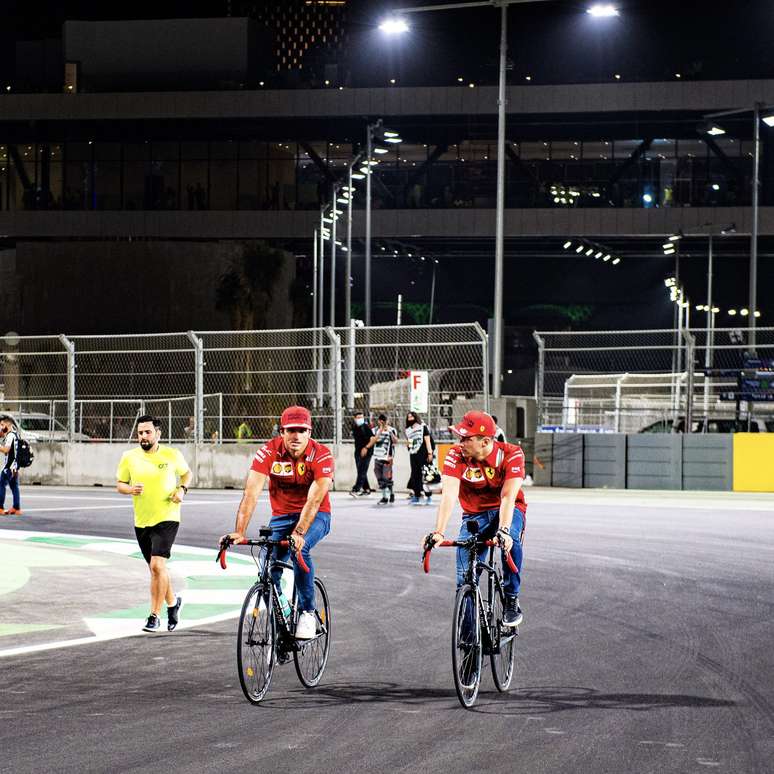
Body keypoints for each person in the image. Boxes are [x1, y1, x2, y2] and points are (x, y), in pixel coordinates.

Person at [223, 405, 333, 640]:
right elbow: (251, 492)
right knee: (267, 572)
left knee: (299, 550)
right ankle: (281, 617)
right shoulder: (268, 451)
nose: (296, 436)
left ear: (309, 432)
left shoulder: (321, 454)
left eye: (302, 430)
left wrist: (300, 533)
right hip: (281, 517)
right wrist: (239, 532)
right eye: (291, 430)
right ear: (281, 431)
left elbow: (314, 500)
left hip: (317, 515)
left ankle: (307, 613)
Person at [423, 410, 527, 627]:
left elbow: (508, 497)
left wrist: (505, 531)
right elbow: (449, 495)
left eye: (466, 438)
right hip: (475, 515)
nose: (460, 442)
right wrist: (439, 531)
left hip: (506, 509)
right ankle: (469, 644)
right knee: (465, 580)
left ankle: (511, 599)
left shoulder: (512, 454)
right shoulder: (456, 454)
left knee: (511, 542)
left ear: (485, 441)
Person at [116, 415, 192, 633]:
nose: (143, 436)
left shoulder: (172, 454)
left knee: (157, 566)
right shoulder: (129, 457)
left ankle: (154, 616)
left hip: (168, 517)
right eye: (140, 433)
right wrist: (130, 489)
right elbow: (120, 484)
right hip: (142, 521)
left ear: (158, 433)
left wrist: (181, 489)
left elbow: (187, 474)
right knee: (157, 570)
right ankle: (172, 603)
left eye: (147, 432)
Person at [363, 414, 398, 505]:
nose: (383, 423)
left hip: (387, 457)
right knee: (379, 477)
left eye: (385, 421)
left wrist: (389, 432)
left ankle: (387, 496)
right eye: (381, 421)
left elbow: (395, 442)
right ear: (378, 421)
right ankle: (388, 495)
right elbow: (373, 440)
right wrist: (381, 430)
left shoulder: (392, 430)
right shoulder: (374, 430)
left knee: (386, 477)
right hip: (377, 456)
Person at [406, 411, 434, 505]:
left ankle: (429, 496)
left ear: (415, 417)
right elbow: (410, 441)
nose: (410, 419)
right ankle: (417, 495)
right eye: (408, 417)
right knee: (415, 475)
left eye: (411, 417)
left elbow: (427, 440)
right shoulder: (408, 429)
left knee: (426, 475)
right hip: (413, 454)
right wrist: (409, 446)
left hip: (423, 454)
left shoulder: (422, 427)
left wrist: (430, 453)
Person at [0, 417, 22, 515]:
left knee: (1, 485)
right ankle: (16, 508)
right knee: (14, 486)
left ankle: (0, 507)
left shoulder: (10, 436)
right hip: (15, 466)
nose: (1, 427)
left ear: (8, 425)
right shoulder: (16, 435)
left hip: (9, 467)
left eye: (2, 425)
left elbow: (6, 450)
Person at [350, 410, 374, 497]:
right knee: (361, 470)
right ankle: (366, 489)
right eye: (358, 418)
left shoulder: (365, 427)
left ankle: (356, 489)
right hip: (358, 451)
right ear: (354, 418)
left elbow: (373, 439)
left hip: (367, 451)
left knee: (362, 470)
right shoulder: (355, 427)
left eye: (362, 417)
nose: (360, 419)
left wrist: (366, 448)